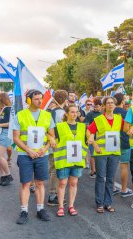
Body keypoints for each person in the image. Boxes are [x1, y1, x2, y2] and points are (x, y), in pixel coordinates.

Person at [13, 89, 56, 224]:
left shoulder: (47, 115)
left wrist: (44, 149)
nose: (40, 101)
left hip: (42, 154)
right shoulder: (20, 115)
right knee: (25, 183)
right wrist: (29, 150)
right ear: (29, 100)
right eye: (36, 99)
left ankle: (40, 209)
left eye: (40, 98)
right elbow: (16, 138)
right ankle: (24, 211)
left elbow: (52, 136)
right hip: (25, 154)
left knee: (40, 183)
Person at [87, 97, 122, 213]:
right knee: (101, 178)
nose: (110, 105)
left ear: (115, 105)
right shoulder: (99, 119)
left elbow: (127, 128)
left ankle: (108, 203)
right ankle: (99, 203)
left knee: (111, 179)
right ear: (104, 106)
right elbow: (89, 131)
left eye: (112, 103)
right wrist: (95, 144)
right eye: (108, 103)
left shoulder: (119, 119)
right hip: (101, 152)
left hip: (114, 153)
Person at [53, 105, 87, 216]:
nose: (74, 114)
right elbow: (49, 134)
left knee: (73, 183)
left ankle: (71, 205)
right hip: (63, 160)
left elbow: (90, 137)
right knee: (62, 183)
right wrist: (51, 139)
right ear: (66, 113)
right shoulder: (59, 126)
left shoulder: (83, 127)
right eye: (72, 112)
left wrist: (91, 139)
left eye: (76, 112)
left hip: (77, 160)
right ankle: (61, 206)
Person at [47, 90, 67, 206]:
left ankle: (53, 191)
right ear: (65, 99)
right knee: (55, 170)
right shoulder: (62, 113)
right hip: (59, 145)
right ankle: (52, 194)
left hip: (51, 144)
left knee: (52, 169)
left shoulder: (50, 112)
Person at [112, 93, 133, 197]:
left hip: (111, 141)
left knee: (111, 165)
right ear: (122, 101)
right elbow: (131, 126)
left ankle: (111, 188)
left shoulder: (109, 111)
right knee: (124, 166)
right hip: (124, 141)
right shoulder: (126, 112)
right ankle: (124, 190)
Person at [85, 97, 102, 178]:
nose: (96, 107)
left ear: (101, 106)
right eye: (95, 106)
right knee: (92, 155)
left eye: (98, 106)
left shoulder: (102, 114)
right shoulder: (90, 114)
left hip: (101, 138)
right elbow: (87, 125)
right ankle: (93, 171)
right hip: (92, 138)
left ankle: (99, 170)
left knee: (100, 155)